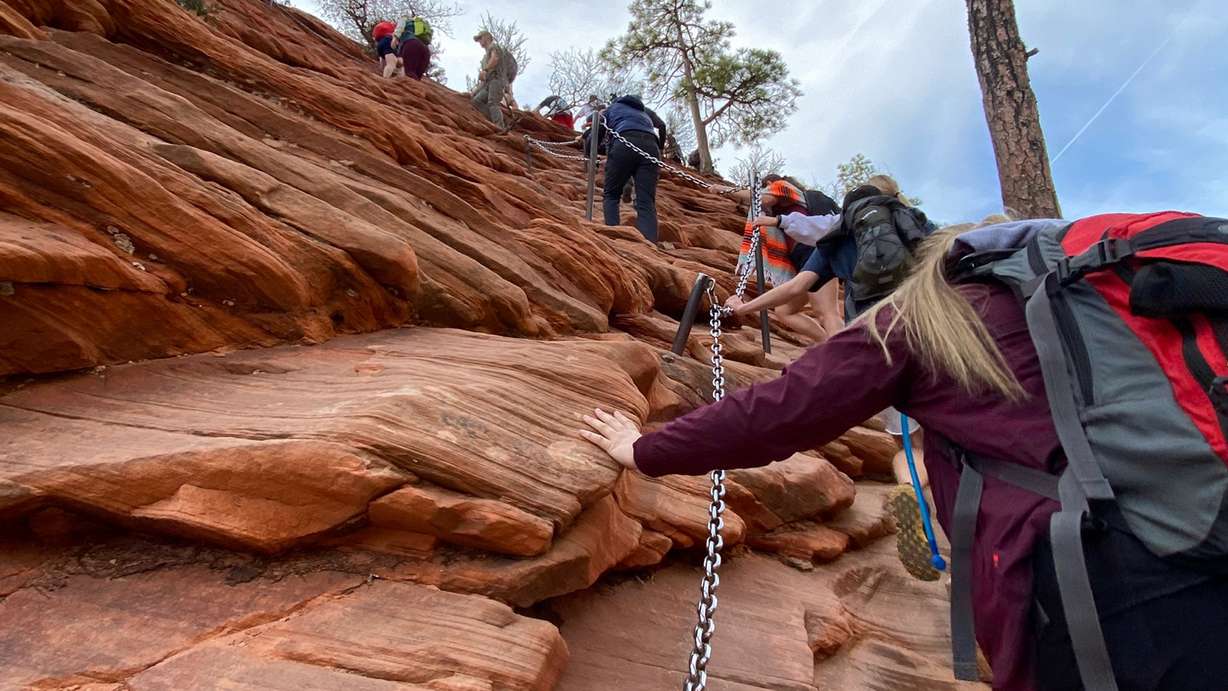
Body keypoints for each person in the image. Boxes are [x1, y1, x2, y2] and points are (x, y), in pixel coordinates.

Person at [580, 217, 1228, 690]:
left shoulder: (926, 318)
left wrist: (643, 450)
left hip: (1098, 596)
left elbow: (780, 411)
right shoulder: (1094, 287)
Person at [728, 176, 842, 342]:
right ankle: (829, 344)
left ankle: (844, 353)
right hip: (802, 260)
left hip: (816, 252)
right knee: (784, 311)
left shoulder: (782, 186)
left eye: (765, 188)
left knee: (826, 313)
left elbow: (763, 198)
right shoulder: (780, 209)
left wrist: (725, 190)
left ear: (769, 184)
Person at [602, 94, 667, 243]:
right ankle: (649, 243)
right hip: (651, 146)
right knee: (646, 200)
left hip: (623, 140)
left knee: (611, 194)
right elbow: (662, 125)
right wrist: (661, 149)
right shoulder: (644, 111)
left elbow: (599, 129)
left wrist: (595, 153)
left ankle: (613, 237)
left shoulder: (611, 108)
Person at [471, 30, 514, 128]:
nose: (479, 41)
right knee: (476, 101)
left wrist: (485, 70)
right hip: (488, 83)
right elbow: (484, 80)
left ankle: (499, 127)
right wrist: (475, 91)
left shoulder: (494, 47)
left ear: (487, 37)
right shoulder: (484, 58)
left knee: (493, 103)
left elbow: (495, 59)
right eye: (478, 39)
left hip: (497, 80)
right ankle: (499, 120)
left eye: (480, 38)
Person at [392, 15, 432, 80]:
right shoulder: (422, 25)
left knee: (408, 74)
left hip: (411, 45)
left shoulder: (404, 19)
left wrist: (394, 38)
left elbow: (399, 29)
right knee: (415, 77)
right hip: (426, 51)